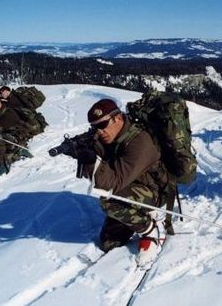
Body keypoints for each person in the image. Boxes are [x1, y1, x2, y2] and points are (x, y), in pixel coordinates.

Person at [64, 99, 170, 265]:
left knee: (108, 200)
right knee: (110, 243)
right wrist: (80, 152)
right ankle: (142, 214)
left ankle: (152, 228)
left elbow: (110, 184)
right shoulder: (107, 138)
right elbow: (96, 175)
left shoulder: (140, 141)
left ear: (118, 118)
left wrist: (91, 159)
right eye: (94, 127)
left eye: (103, 124)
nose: (99, 131)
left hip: (155, 191)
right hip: (130, 187)